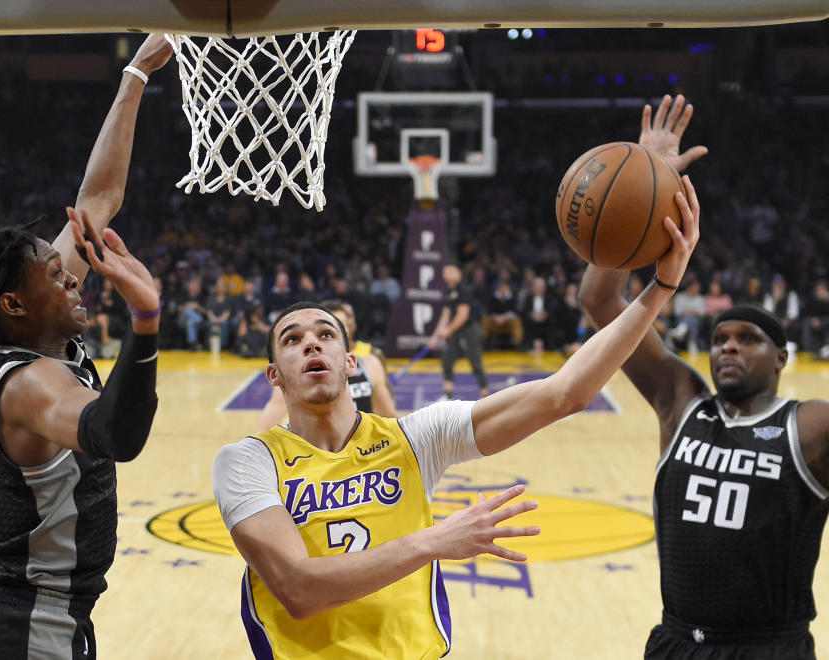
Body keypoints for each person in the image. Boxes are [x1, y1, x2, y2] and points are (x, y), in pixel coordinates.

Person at [212, 173, 699, 658]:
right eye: (292, 340)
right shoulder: (246, 462)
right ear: (274, 375)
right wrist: (433, 541)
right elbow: (298, 590)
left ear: (352, 360)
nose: (311, 342)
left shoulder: (415, 439)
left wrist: (661, 286)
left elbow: (563, 394)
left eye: (325, 334)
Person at [0, 34, 172, 659]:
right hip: (23, 622)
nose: (73, 277)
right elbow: (115, 436)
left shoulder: (35, 334)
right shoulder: (30, 384)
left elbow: (96, 202)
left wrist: (136, 75)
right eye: (58, 277)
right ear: (14, 304)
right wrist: (144, 319)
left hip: (44, 616)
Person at [580, 94, 828, 659]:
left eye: (747, 340)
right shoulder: (681, 400)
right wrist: (646, 174)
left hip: (769, 648)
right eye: (720, 340)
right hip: (676, 642)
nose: (728, 348)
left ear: (782, 358)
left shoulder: (808, 427)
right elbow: (598, 298)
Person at [257, 299, 398, 430]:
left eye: (326, 333)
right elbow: (274, 411)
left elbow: (387, 414)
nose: (313, 342)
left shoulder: (370, 362)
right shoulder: (294, 374)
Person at [429, 263, 489, 400]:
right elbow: (445, 316)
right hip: (455, 332)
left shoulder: (463, 290)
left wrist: (448, 331)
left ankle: (484, 394)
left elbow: (463, 315)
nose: (447, 274)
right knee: (447, 361)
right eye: (445, 271)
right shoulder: (448, 293)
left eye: (450, 270)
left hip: (469, 330)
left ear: (458, 272)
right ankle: (448, 395)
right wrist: (434, 336)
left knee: (475, 363)